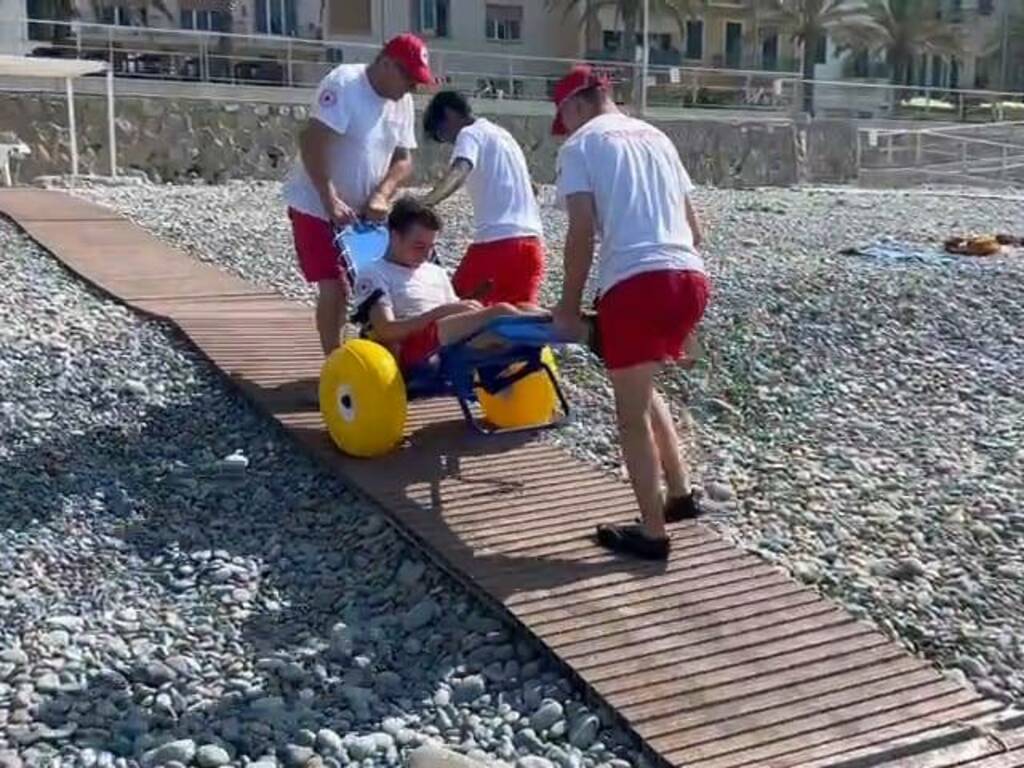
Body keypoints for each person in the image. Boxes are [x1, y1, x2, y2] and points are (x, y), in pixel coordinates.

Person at [549, 65, 710, 561]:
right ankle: (679, 493)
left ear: (575, 105)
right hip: (690, 279)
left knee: (629, 418)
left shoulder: (581, 146)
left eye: (565, 119)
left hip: (636, 286)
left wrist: (568, 306)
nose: (567, 128)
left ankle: (653, 532)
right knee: (641, 387)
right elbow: (695, 230)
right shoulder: (658, 137)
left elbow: (580, 235)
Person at [283, 33, 434, 356]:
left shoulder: (402, 102)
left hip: (365, 216)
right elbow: (311, 141)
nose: (412, 87)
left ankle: (380, 357)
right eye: (408, 77)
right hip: (315, 205)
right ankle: (334, 364)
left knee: (379, 285)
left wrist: (382, 193)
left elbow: (403, 159)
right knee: (334, 286)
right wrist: (329, 198)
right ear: (385, 64)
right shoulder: (344, 84)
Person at [354, 198, 548, 371]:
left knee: (524, 307)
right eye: (419, 247)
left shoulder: (435, 272)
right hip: (416, 347)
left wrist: (468, 304)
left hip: (449, 339)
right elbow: (387, 330)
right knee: (500, 312)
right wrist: (439, 313)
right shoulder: (374, 273)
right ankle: (550, 330)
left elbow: (455, 314)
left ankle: (554, 324)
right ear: (395, 236)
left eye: (431, 248)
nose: (426, 255)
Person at [418, 90, 545, 306]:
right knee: (517, 324)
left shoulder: (469, 133)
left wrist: (425, 203)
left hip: (498, 244)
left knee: (454, 311)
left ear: (449, 114)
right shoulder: (504, 136)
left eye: (442, 134)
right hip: (533, 246)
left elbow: (460, 169)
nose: (448, 142)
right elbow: (532, 188)